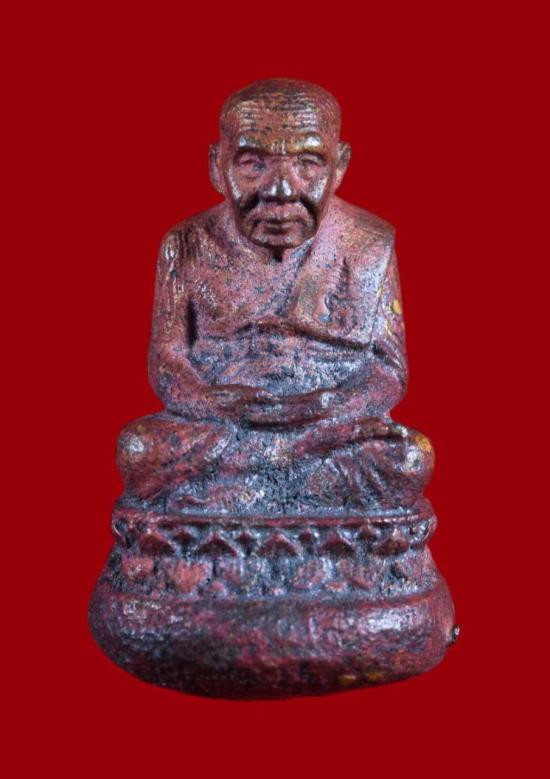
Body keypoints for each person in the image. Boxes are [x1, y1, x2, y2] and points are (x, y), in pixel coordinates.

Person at [116, 78, 433, 513]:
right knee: (139, 450)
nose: (281, 191)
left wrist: (333, 406)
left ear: (340, 167)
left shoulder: (369, 245)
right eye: (253, 163)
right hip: (225, 427)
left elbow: (389, 370)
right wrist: (212, 402)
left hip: (326, 430)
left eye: (307, 164)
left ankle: (244, 490)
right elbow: (167, 361)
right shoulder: (185, 244)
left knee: (408, 460)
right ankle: (290, 483)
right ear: (216, 166)